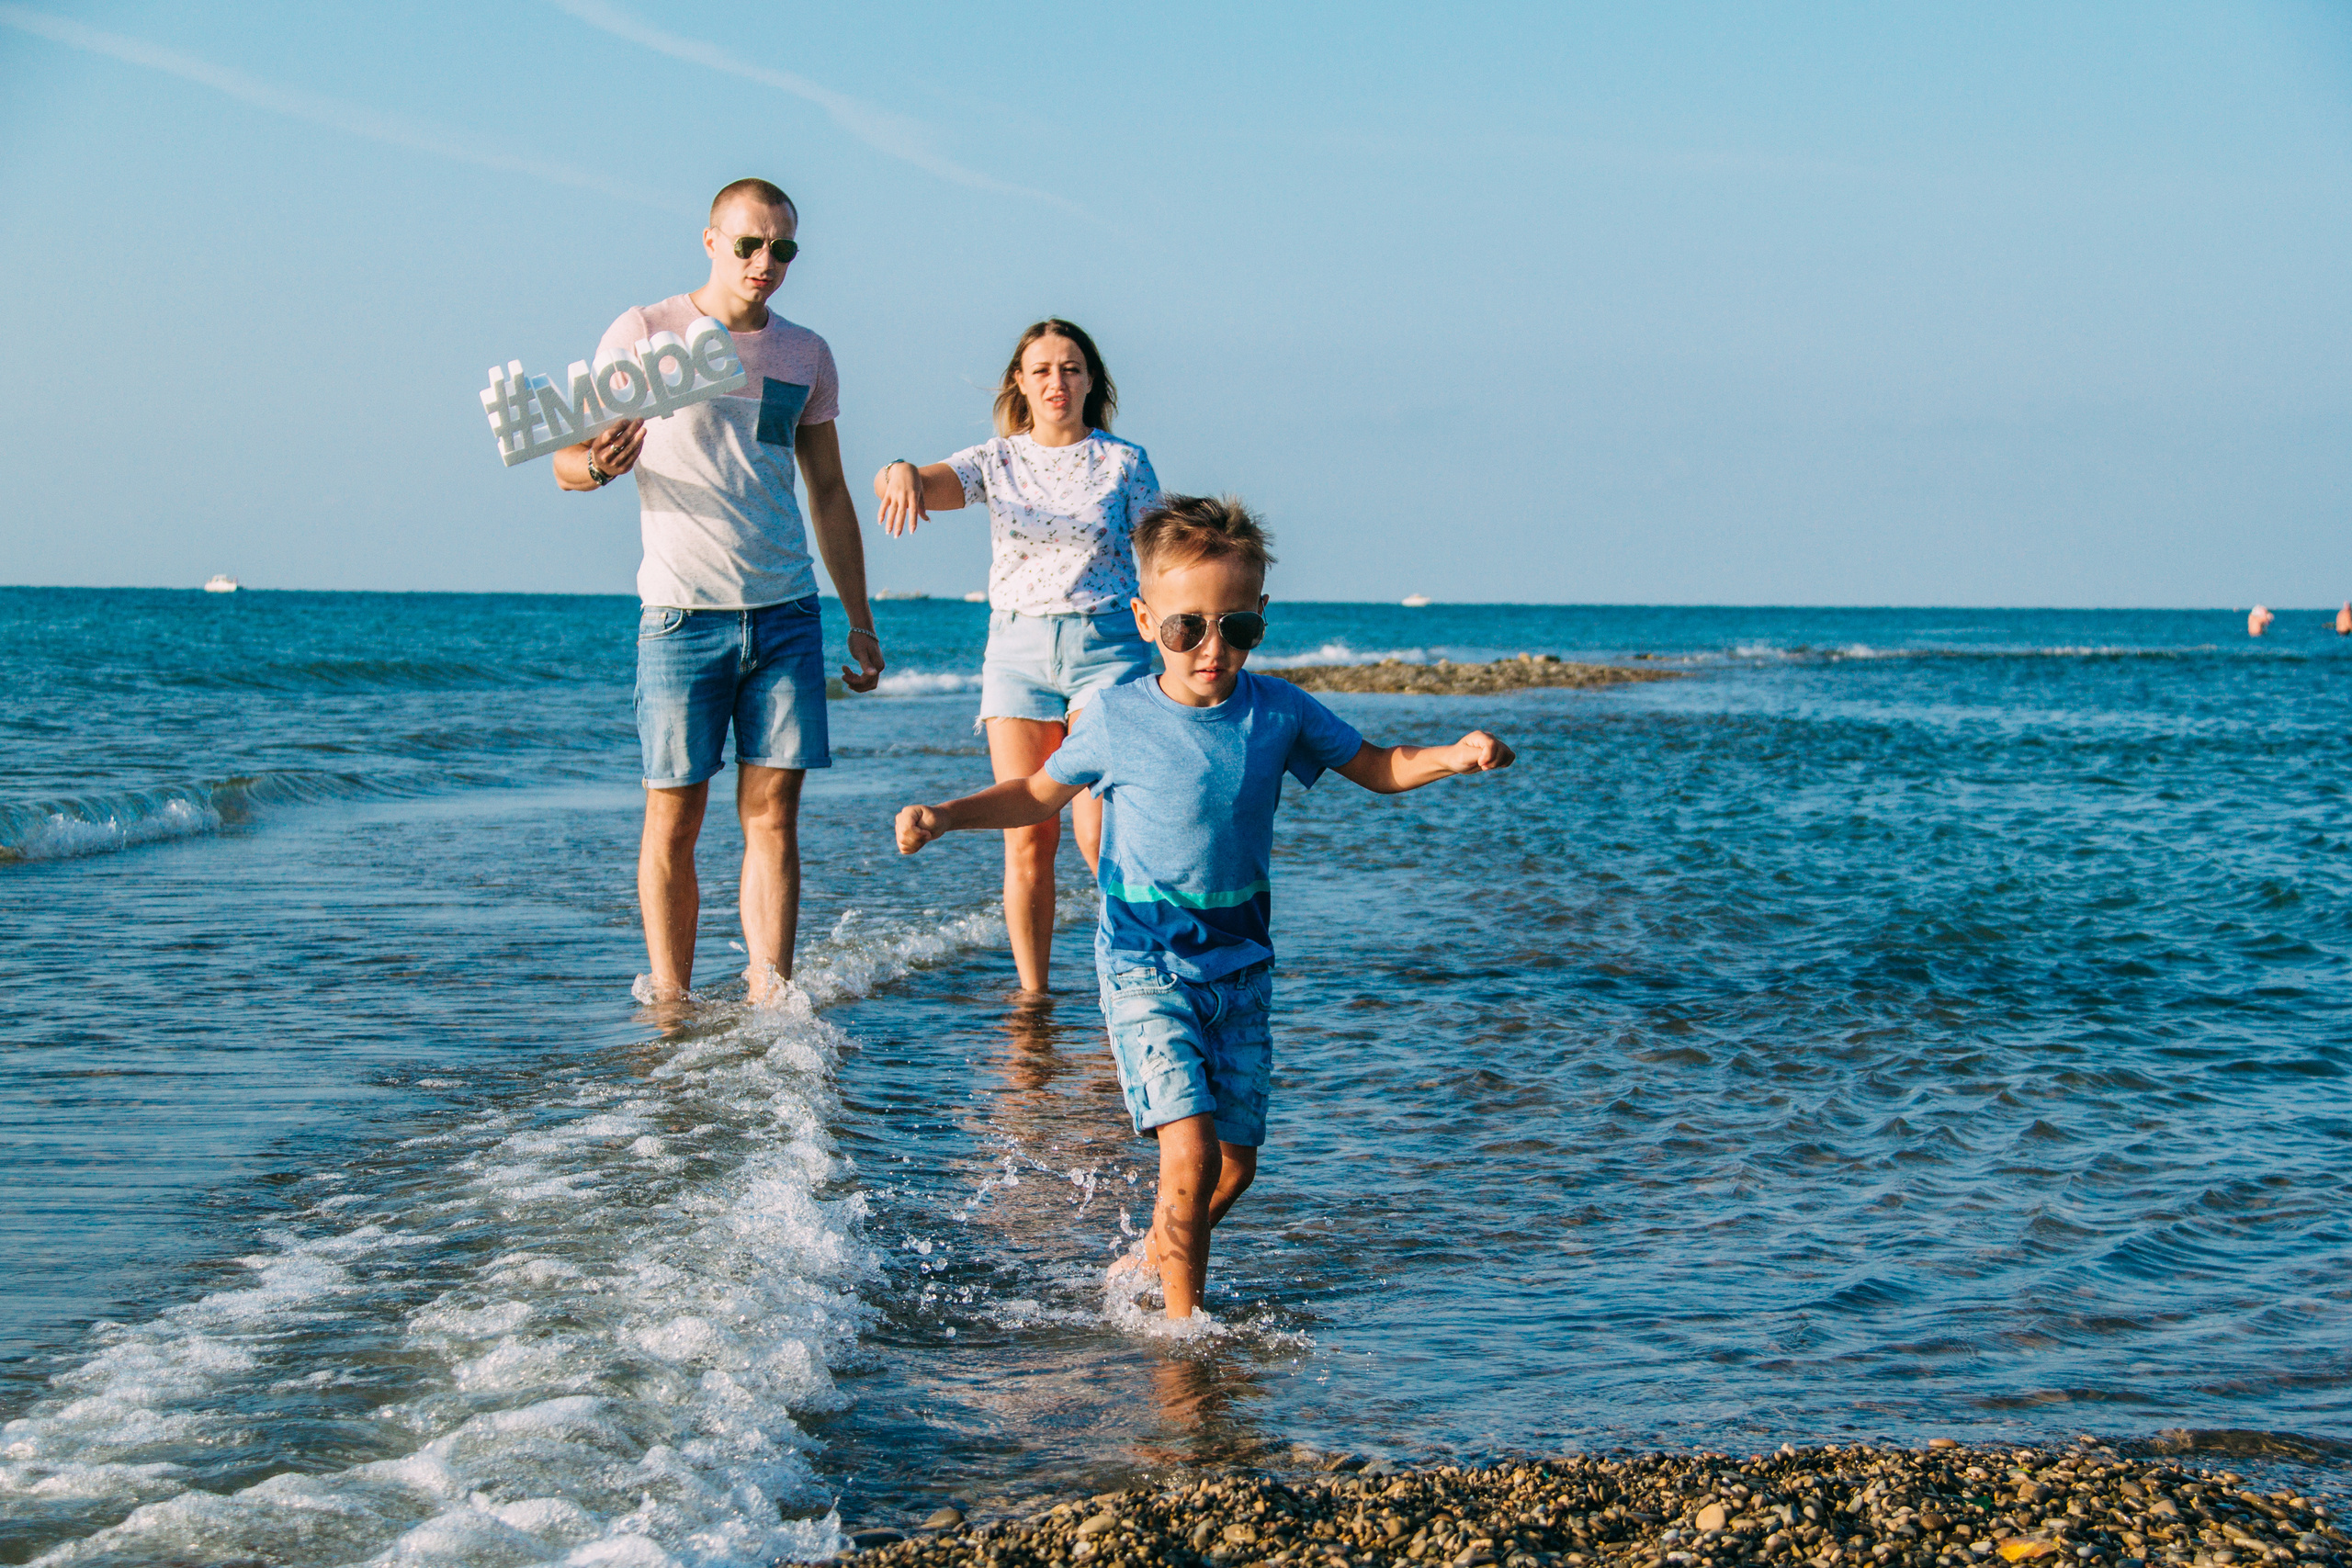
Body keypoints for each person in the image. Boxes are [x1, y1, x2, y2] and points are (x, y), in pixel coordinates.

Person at [892, 495, 1515, 1318]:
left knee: (1233, 1167)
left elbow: (1377, 764)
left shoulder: (1279, 710)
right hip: (1145, 961)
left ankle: (1147, 1259)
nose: (1212, 648)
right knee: (1186, 1154)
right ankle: (1183, 1339)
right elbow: (1035, 795)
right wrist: (945, 815)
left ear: (1261, 617)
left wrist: (1453, 756)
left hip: (1243, 968)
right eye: (1188, 627)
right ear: (1148, 619)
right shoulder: (1116, 716)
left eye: (1237, 628)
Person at [555, 177, 885, 1005]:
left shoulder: (805, 353)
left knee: (772, 817)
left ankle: (771, 998)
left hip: (785, 612)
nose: (764, 262)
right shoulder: (646, 333)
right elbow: (565, 461)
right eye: (748, 244)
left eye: (782, 249)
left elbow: (831, 491)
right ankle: (670, 1003)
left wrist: (859, 619)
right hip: (680, 615)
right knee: (675, 819)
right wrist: (598, 464)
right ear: (710, 241)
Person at [872, 321, 1159, 995]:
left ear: (1092, 380)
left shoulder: (1124, 462)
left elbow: (1161, 551)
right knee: (1028, 836)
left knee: (1098, 833)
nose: (1056, 382)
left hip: (1108, 649)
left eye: (1070, 368)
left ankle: (1137, 983)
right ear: (1019, 384)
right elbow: (927, 479)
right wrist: (899, 473)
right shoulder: (996, 460)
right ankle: (1034, 999)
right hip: (1019, 654)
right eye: (1041, 371)